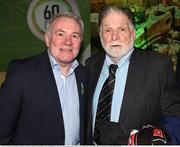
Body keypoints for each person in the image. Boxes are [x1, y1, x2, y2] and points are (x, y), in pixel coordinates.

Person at [85, 4, 180, 145]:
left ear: (133, 33)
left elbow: (175, 116)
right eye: (107, 30)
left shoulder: (158, 66)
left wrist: (152, 139)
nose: (114, 36)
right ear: (100, 35)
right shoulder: (90, 65)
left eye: (121, 29)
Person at [0, 12, 88, 145]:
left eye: (74, 36)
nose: (68, 42)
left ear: (80, 43)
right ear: (47, 39)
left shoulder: (85, 75)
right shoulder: (22, 72)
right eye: (60, 34)